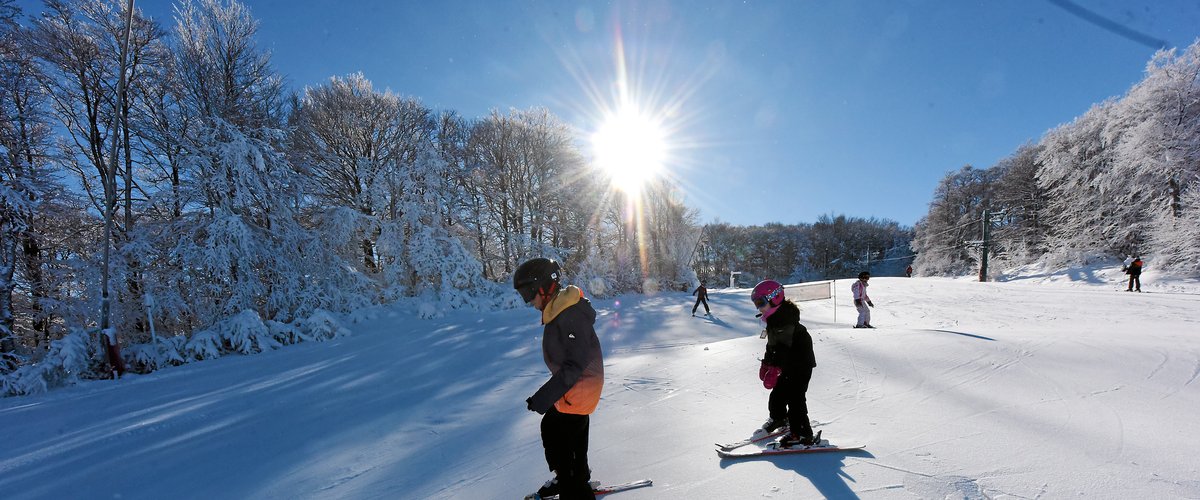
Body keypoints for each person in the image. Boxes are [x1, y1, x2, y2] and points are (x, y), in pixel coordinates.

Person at [513, 258, 604, 500]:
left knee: (561, 438)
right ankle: (573, 475)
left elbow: (574, 366)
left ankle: (574, 485)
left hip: (580, 386)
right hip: (577, 387)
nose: (529, 301)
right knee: (559, 428)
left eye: (528, 293)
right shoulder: (560, 310)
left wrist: (544, 397)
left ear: (543, 287)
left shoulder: (569, 314)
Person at [751, 280, 819, 448]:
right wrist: (766, 363)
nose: (758, 307)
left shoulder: (784, 319)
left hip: (800, 364)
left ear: (774, 298)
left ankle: (802, 433)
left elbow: (783, 347)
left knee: (795, 398)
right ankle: (779, 418)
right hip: (786, 364)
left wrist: (774, 368)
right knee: (778, 393)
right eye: (755, 303)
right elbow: (772, 345)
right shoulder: (773, 319)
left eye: (760, 303)